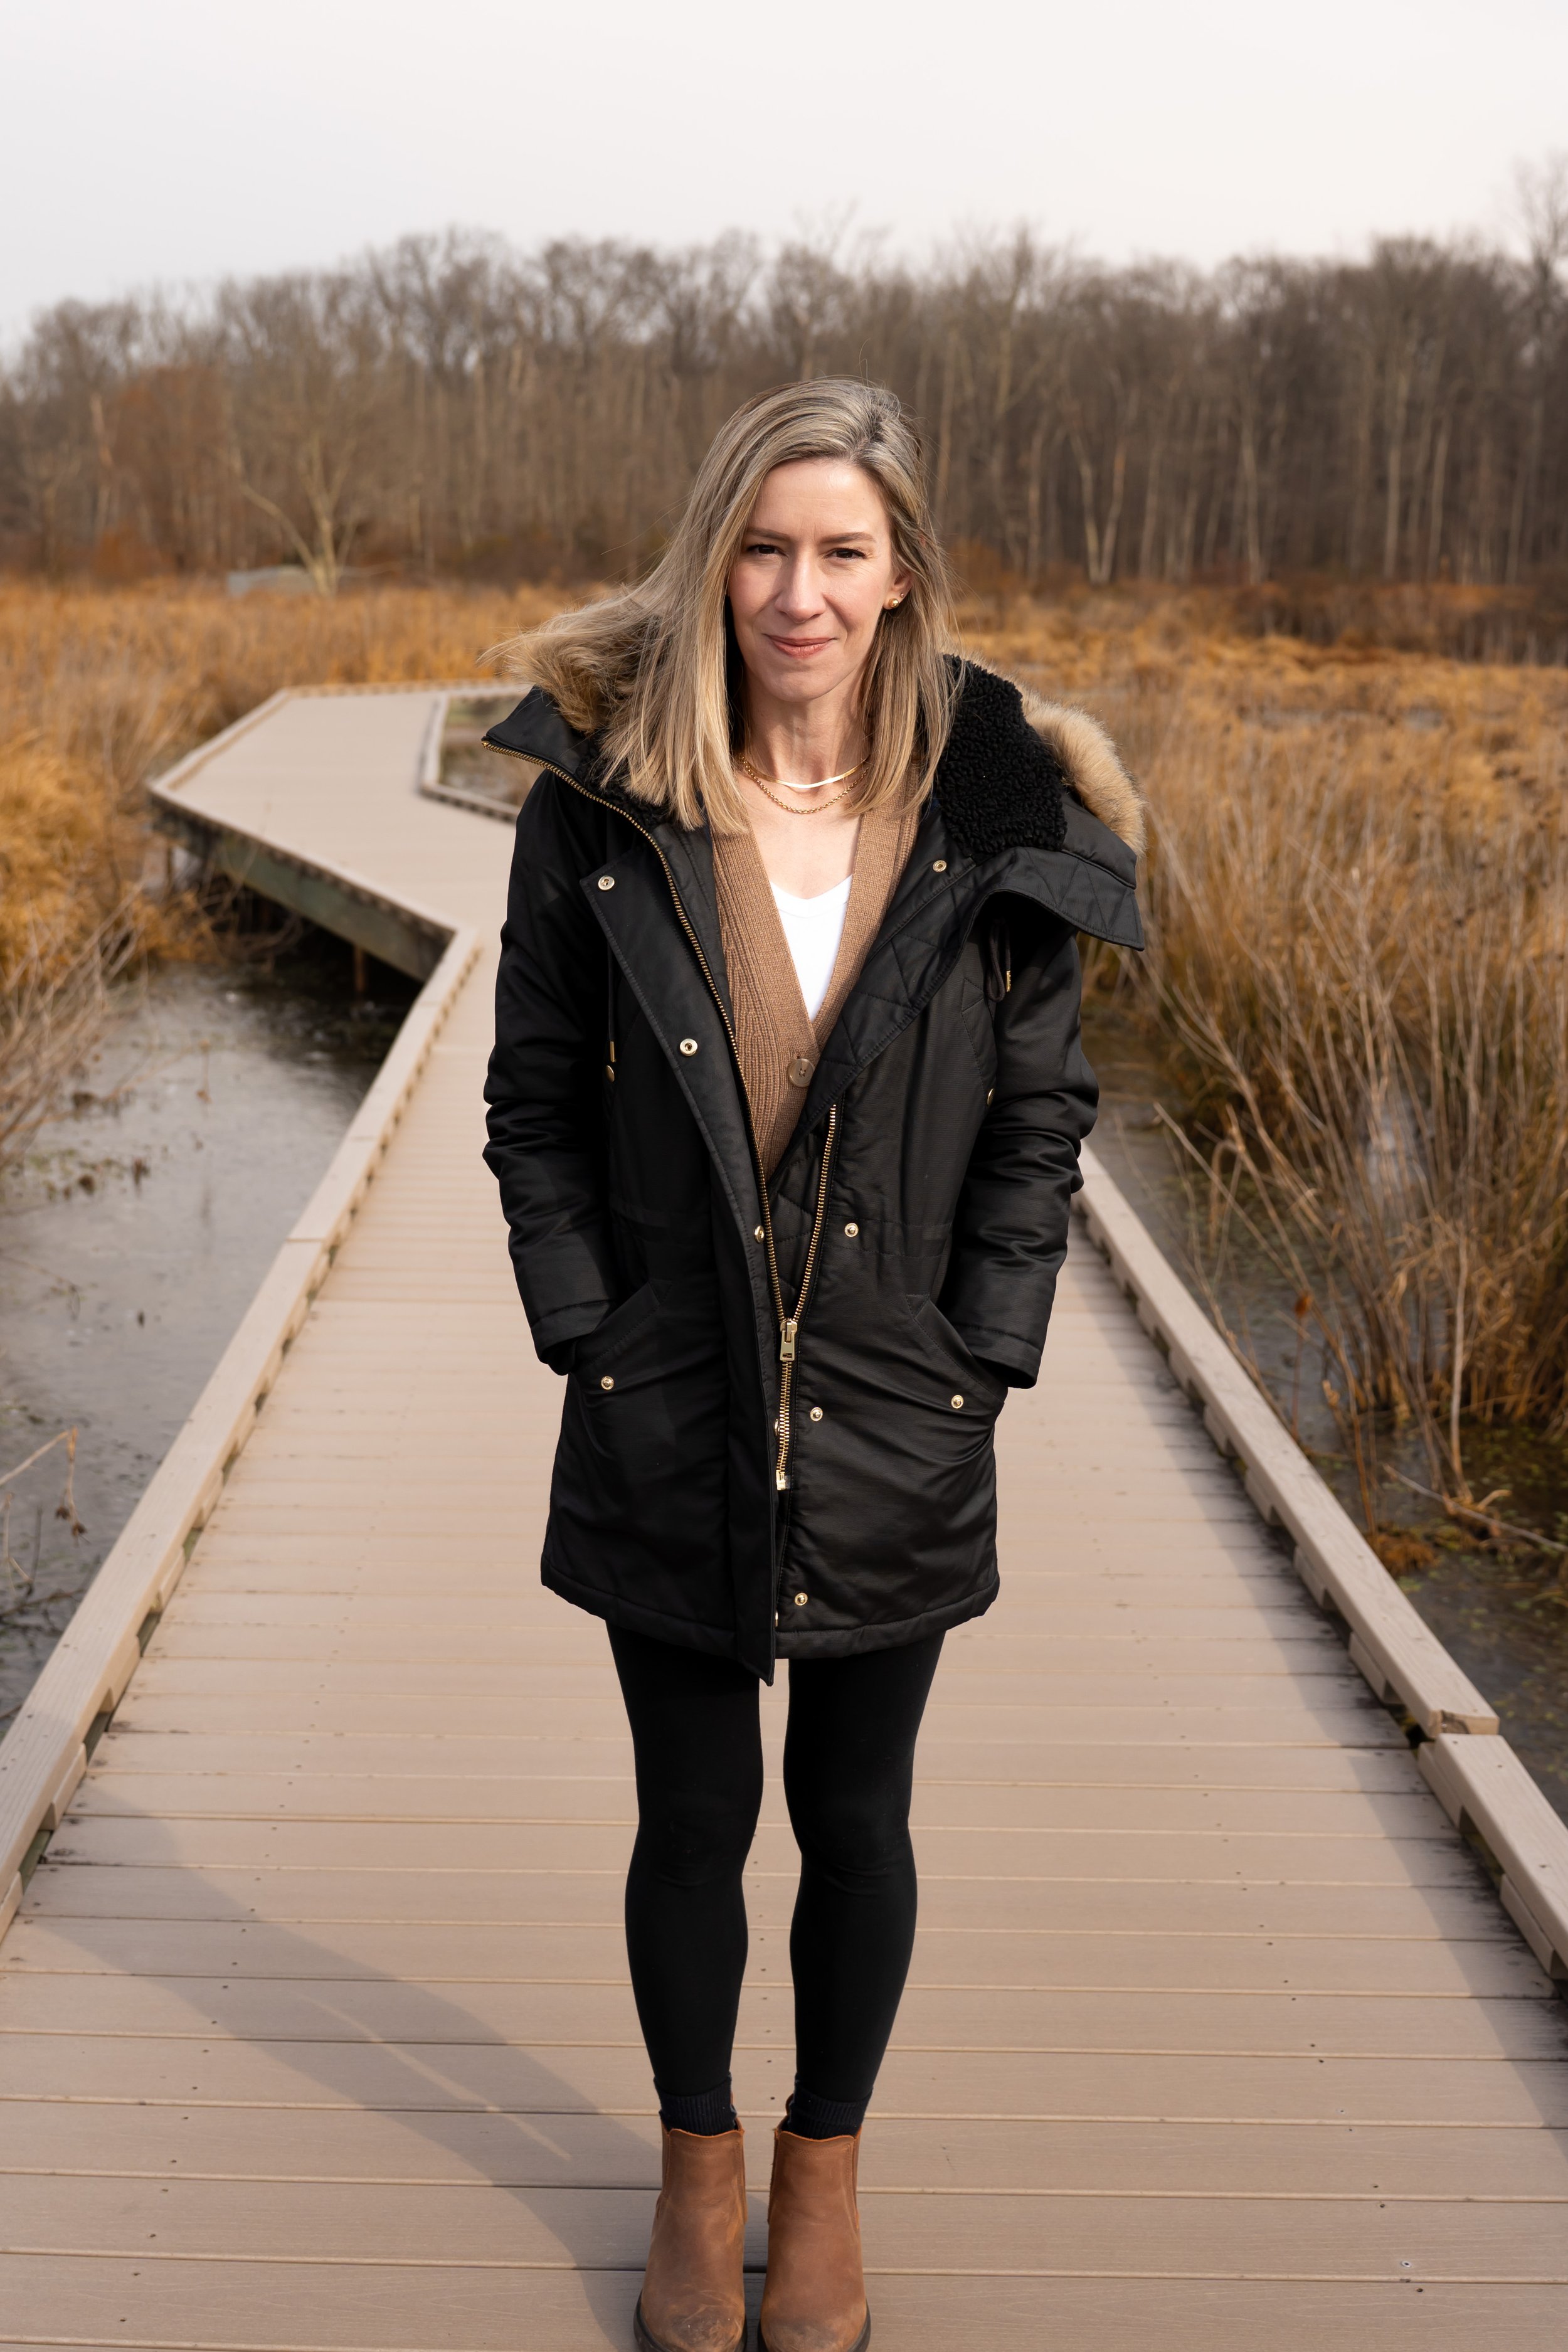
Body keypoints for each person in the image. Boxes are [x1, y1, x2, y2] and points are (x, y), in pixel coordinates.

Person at [482, 380, 1143, 2352]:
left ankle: (824, 2168)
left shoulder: (998, 822)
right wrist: (585, 1324)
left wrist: (986, 1350)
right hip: (665, 1398)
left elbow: (1040, 1118)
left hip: (898, 1402)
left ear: (903, 576)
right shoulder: (599, 812)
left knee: (858, 1820)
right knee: (690, 1821)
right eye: (762, 547)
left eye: (840, 551)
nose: (797, 590)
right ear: (715, 561)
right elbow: (529, 1102)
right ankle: (699, 2170)